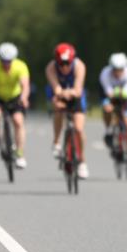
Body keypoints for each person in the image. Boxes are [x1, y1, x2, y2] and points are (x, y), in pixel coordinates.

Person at [0, 42, 31, 169]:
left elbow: (25, 86)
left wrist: (24, 98)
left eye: (9, 61)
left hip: (15, 97)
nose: (6, 64)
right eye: (3, 61)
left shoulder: (20, 66)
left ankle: (20, 154)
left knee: (18, 121)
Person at [45, 42, 89, 179]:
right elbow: (56, 87)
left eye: (67, 63)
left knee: (79, 129)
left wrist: (70, 93)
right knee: (58, 109)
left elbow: (77, 89)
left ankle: (82, 162)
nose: (64, 67)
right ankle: (57, 142)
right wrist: (60, 95)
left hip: (75, 95)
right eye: (61, 64)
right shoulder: (51, 67)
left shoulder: (79, 66)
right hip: (59, 94)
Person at [100, 52, 127, 168]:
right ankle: (108, 131)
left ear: (124, 67)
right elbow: (108, 92)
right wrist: (110, 104)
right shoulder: (105, 73)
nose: (118, 72)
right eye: (115, 69)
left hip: (125, 97)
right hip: (109, 96)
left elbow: (126, 93)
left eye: (120, 69)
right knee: (107, 109)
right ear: (111, 68)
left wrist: (121, 99)